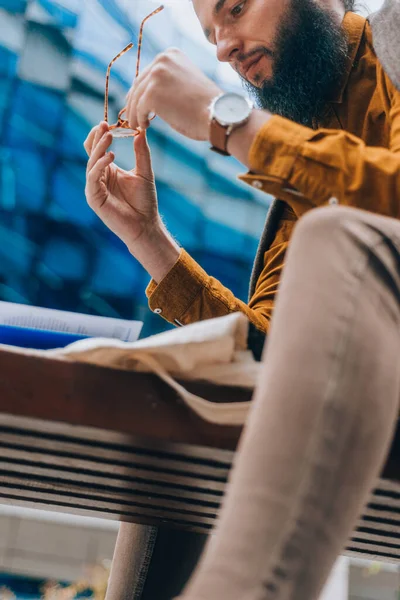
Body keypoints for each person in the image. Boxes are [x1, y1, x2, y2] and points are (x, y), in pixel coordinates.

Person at [84, 0, 400, 598]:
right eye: (210, 35)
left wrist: (223, 120)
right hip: (357, 416)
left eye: (236, 8)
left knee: (333, 236)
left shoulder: (395, 43)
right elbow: (271, 359)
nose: (224, 46)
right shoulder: (307, 140)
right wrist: (150, 243)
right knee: (182, 403)